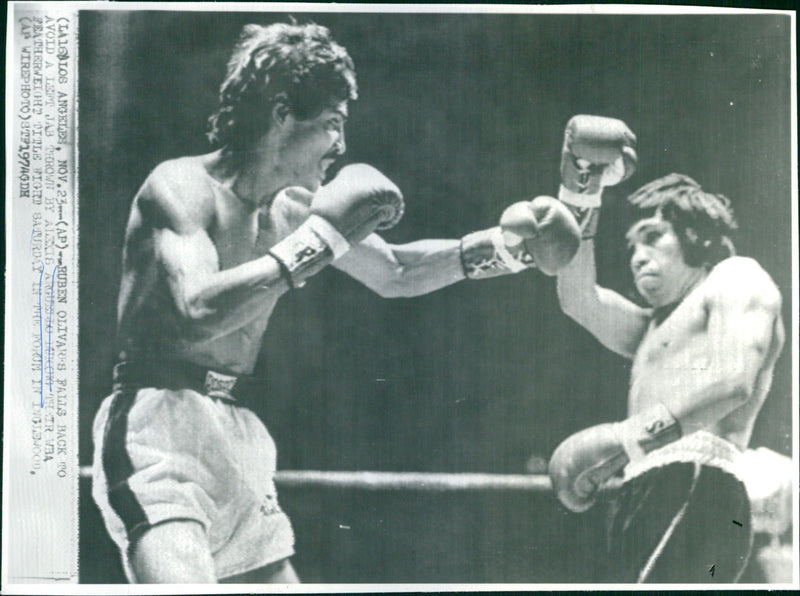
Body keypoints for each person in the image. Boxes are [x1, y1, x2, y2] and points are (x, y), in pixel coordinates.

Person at [90, 22, 581, 584]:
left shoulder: (295, 209)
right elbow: (196, 313)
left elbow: (396, 271)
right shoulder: (179, 186)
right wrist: (317, 243)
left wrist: (506, 249)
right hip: (158, 424)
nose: (341, 147)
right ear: (281, 114)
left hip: (237, 434)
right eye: (331, 124)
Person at [547, 116, 786, 583]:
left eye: (653, 238)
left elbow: (734, 380)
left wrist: (624, 439)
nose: (637, 256)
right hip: (645, 484)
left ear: (695, 235)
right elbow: (576, 298)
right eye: (632, 247)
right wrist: (580, 190)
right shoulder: (653, 326)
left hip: (697, 478)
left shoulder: (736, 277)